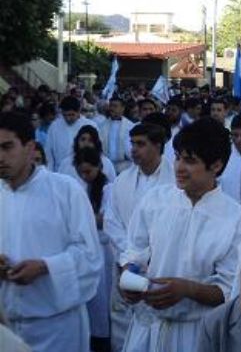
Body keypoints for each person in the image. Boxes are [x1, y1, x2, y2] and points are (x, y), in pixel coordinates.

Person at [118, 118, 241, 352]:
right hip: (148, 328)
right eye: (178, 158)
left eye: (190, 161)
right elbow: (135, 251)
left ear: (216, 165)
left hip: (198, 334)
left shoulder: (237, 220)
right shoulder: (156, 200)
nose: (179, 167)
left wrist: (188, 290)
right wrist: (128, 276)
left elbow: (231, 289)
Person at [0, 112, 103, 352]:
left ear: (30, 147)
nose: (0, 157)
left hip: (57, 329)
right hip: (5, 328)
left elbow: (90, 257)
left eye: (7, 147)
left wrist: (46, 267)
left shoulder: (65, 190)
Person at [104, 122, 174, 352]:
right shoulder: (122, 180)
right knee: (124, 330)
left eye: (141, 144)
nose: (134, 149)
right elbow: (112, 223)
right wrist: (129, 259)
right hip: (126, 265)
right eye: (132, 143)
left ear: (158, 146)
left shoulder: (175, 179)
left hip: (161, 265)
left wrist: (147, 257)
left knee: (158, 333)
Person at [74, 147, 114, 352]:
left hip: (103, 248)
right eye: (81, 172)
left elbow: (105, 219)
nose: (85, 176)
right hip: (87, 247)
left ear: (99, 167)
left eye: (89, 171)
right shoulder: (82, 187)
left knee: (101, 300)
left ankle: (103, 340)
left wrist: (83, 218)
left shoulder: (108, 189)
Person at [45, 96, 98, 170]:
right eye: (65, 115)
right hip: (60, 171)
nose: (68, 118)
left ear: (79, 111)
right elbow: (49, 154)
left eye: (71, 115)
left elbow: (97, 151)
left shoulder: (90, 125)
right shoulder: (54, 127)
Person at [99, 96, 134, 174]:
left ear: (122, 108)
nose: (112, 108)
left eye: (115, 106)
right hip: (106, 166)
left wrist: (126, 154)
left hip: (125, 165)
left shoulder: (130, 126)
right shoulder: (102, 126)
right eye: (111, 105)